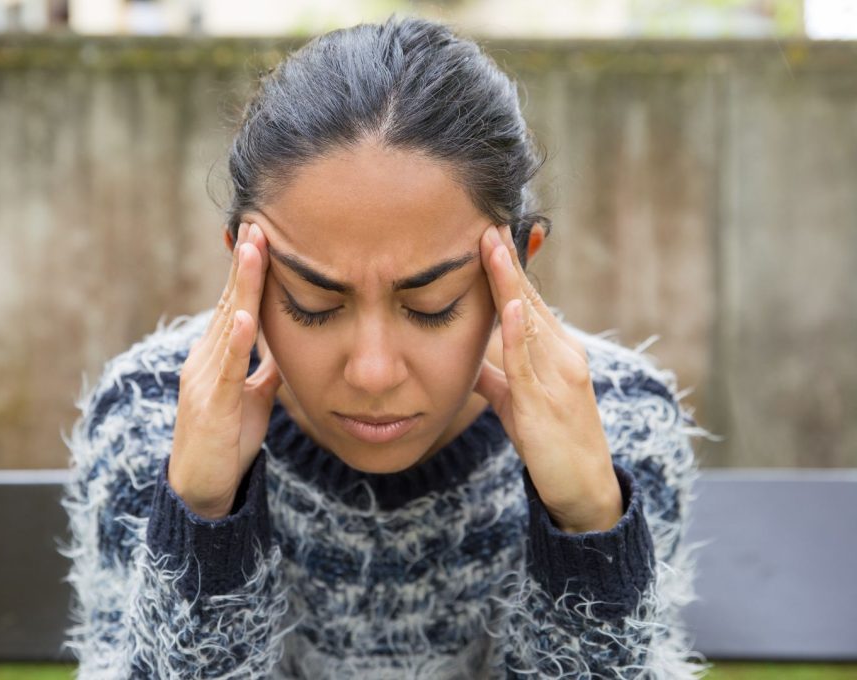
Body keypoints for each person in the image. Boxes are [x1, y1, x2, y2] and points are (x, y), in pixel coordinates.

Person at [59, 14, 715, 679]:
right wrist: (200, 516)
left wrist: (588, 525)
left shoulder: (618, 420)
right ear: (244, 274)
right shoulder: (149, 416)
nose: (373, 371)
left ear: (516, 266)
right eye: (314, 303)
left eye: (432, 306)